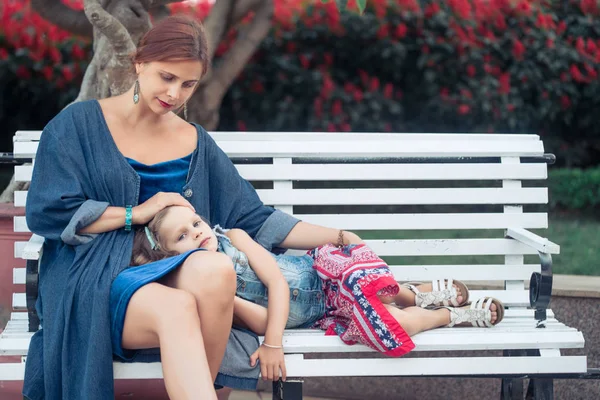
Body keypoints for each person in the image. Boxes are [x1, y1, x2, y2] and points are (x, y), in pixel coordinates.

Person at [22, 14, 367, 400]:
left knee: (214, 268)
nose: (175, 93)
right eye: (166, 77)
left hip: (173, 269)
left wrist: (339, 236)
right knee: (176, 308)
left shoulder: (194, 141)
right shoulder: (77, 125)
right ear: (140, 63)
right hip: (93, 274)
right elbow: (49, 211)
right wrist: (140, 212)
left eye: (188, 84)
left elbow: (253, 217)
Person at [130, 205, 505, 379]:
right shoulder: (205, 297)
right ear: (167, 257)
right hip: (324, 315)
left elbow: (276, 282)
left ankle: (413, 293)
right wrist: (230, 299)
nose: (197, 231)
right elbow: (257, 320)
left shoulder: (236, 240)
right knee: (386, 324)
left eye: (195, 221)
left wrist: (273, 343)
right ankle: (449, 316)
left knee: (369, 287)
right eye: (182, 236)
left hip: (324, 275)